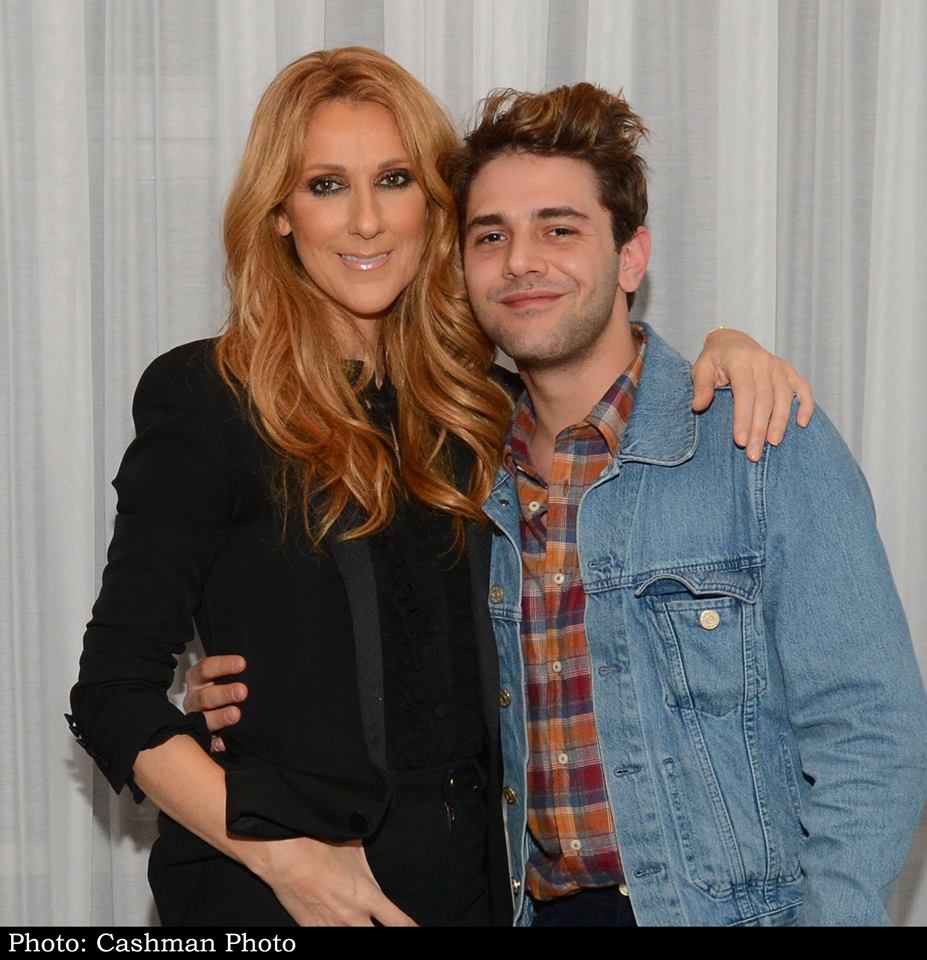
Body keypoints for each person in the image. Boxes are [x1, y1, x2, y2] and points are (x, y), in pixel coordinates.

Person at [69, 48, 812, 928]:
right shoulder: (211, 397)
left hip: (477, 891)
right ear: (277, 215)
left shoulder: (483, 405)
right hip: (278, 895)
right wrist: (291, 863)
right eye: (325, 186)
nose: (367, 221)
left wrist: (728, 351)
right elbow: (111, 693)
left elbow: (607, 395)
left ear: (435, 205)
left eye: (393, 179)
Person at [448, 83, 927, 925]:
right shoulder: (457, 473)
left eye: (558, 229)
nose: (520, 260)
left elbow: (871, 732)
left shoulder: (760, 440)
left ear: (631, 258)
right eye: (491, 236)